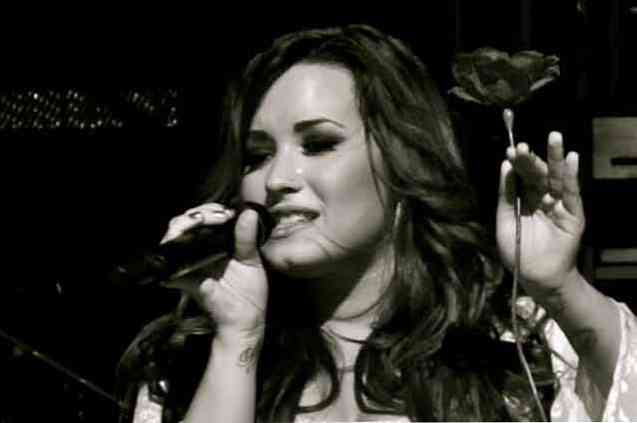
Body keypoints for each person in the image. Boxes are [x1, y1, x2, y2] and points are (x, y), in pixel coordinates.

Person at [117, 24, 636, 422]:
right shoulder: (189, 362)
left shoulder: (513, 343)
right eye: (257, 156)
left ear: (404, 163)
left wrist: (560, 287)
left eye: (318, 144)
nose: (275, 179)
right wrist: (236, 338)